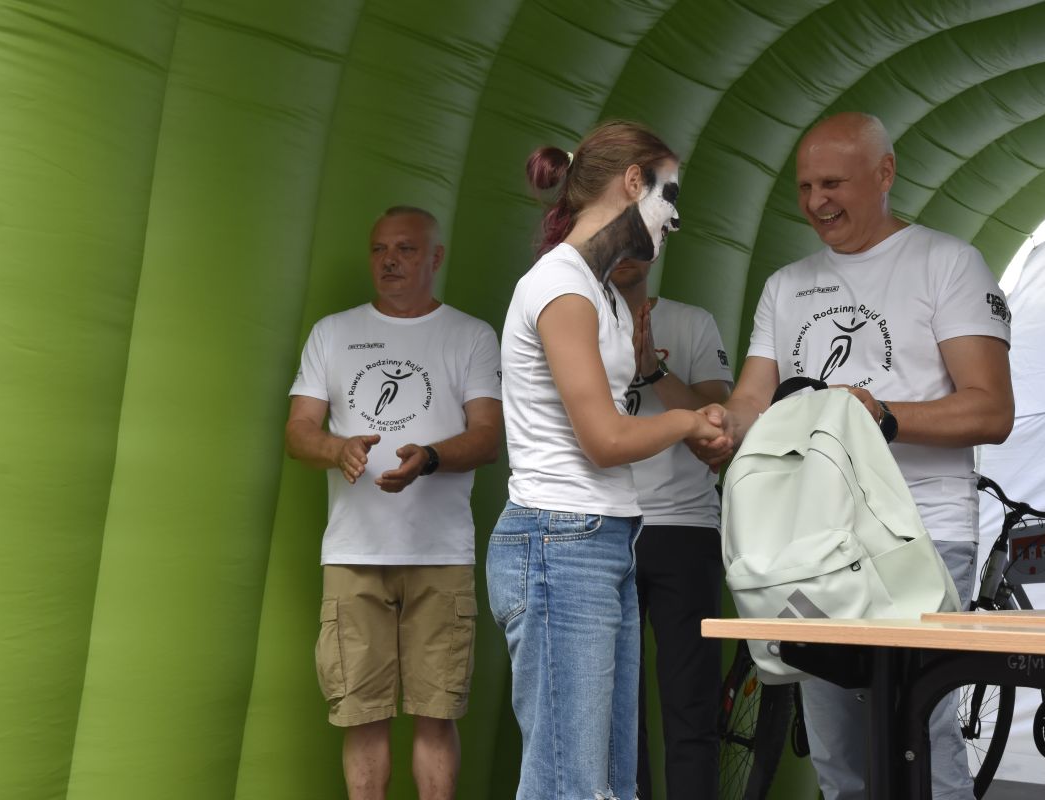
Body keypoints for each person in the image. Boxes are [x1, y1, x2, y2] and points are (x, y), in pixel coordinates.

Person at [694, 112, 1014, 800]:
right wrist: (720, 426)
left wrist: (882, 415)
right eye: (805, 186)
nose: (817, 202)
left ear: (885, 172)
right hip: (815, 542)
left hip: (921, 532)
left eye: (833, 183)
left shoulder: (947, 262)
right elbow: (752, 399)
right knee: (837, 755)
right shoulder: (785, 285)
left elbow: (992, 409)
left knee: (921, 742)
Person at [486, 120, 724, 800]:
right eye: (669, 194)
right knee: (572, 786)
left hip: (603, 538)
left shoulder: (606, 295)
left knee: (610, 784)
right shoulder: (562, 286)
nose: (676, 217)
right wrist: (687, 421)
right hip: (559, 541)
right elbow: (603, 439)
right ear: (632, 182)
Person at [285, 206, 503, 800]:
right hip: (353, 554)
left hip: (441, 554)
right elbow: (298, 431)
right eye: (380, 248)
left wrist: (428, 458)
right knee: (361, 713)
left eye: (406, 249)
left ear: (436, 258)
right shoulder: (332, 332)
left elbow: (488, 437)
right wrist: (337, 448)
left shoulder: (471, 335)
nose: (389, 260)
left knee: (437, 714)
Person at [610, 257, 733, 800]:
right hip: (603, 527)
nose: (623, 252)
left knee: (691, 706)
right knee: (614, 712)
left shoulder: (691, 322)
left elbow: (717, 429)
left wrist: (654, 371)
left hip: (683, 528)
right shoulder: (575, 319)